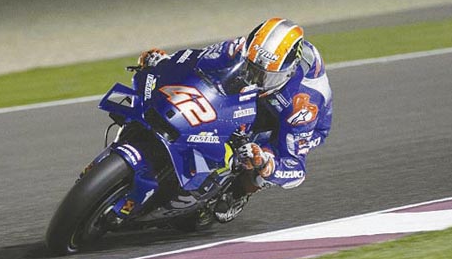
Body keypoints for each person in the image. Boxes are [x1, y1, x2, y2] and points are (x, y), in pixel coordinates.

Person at [138, 17, 333, 221]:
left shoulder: (304, 104)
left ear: (288, 72)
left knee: (255, 154)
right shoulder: (242, 48)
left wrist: (266, 164)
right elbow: (198, 59)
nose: (256, 80)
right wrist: (165, 62)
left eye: (266, 76)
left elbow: (296, 170)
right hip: (264, 92)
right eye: (251, 69)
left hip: (296, 123)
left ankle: (239, 193)